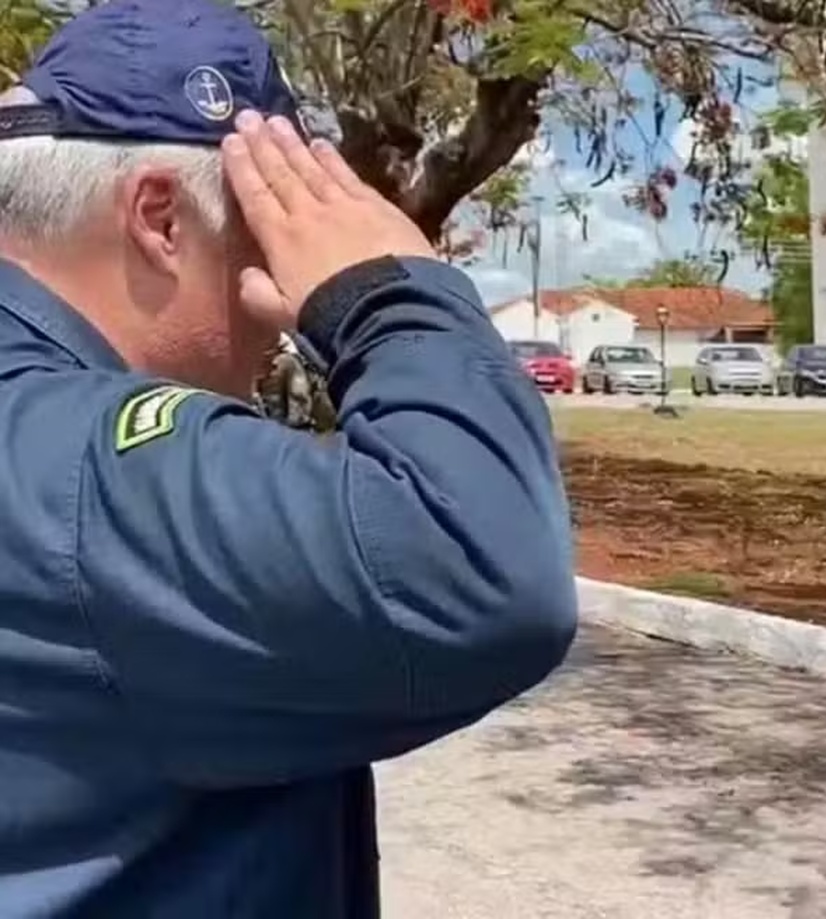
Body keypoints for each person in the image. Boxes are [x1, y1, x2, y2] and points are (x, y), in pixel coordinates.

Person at [0, 1, 576, 916]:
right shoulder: (79, 467)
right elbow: (477, 570)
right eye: (263, 243)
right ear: (160, 219)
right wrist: (391, 293)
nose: (278, 306)